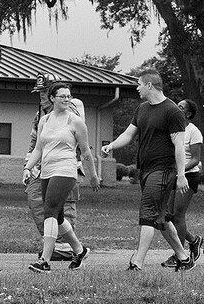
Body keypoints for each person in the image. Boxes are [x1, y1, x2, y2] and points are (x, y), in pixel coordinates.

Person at [100, 72, 192, 271]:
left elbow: (179, 145)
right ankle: (184, 258)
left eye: (139, 84)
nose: (137, 88)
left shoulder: (173, 111)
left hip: (164, 170)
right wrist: (112, 146)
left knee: (147, 213)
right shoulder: (142, 109)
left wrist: (181, 174)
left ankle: (137, 262)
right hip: (146, 169)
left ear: (149, 85)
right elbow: (129, 133)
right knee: (161, 217)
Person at [20, 82, 93, 272]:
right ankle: (80, 250)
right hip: (47, 170)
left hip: (66, 170)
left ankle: (44, 260)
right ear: (53, 98)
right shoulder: (44, 120)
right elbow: (38, 148)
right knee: (58, 217)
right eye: (62, 96)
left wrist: (93, 175)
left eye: (69, 96)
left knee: (49, 210)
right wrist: (27, 168)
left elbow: (85, 151)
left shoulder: (75, 121)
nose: (67, 99)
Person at [168, 98, 204, 266]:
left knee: (178, 215)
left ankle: (180, 255)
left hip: (188, 177)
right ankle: (193, 240)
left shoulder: (193, 131)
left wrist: (181, 171)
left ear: (188, 113)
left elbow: (196, 158)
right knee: (168, 216)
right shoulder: (172, 130)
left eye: (181, 107)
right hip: (172, 176)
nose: (177, 108)